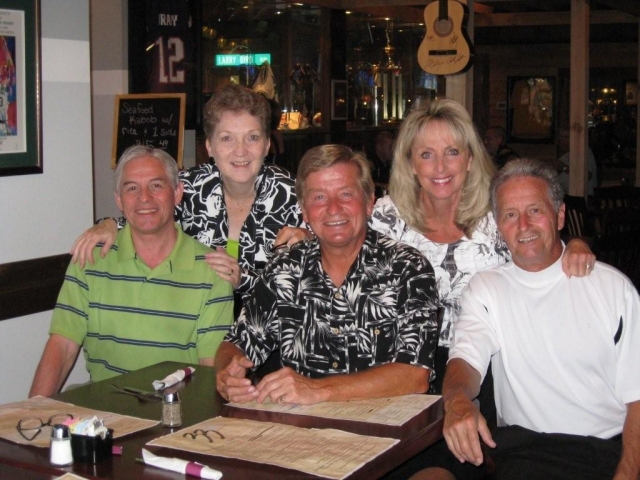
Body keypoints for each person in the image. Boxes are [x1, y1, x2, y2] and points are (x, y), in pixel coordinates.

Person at [371, 99, 594, 395]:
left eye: (452, 152)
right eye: (427, 154)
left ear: (471, 159)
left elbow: (541, 247)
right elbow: (342, 252)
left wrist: (577, 243)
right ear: (410, 163)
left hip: (491, 363)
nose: (440, 167)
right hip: (402, 365)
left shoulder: (496, 215)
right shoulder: (387, 216)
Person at [437, 158, 640, 480]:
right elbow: (466, 359)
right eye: (510, 215)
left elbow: (637, 396)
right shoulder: (487, 288)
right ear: (498, 224)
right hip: (526, 451)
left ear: (559, 216)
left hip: (607, 451)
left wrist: (627, 473)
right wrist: (458, 400)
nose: (523, 226)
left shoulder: (612, 287)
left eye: (535, 210)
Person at [214, 145, 439, 406]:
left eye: (345, 194)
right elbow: (238, 343)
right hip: (300, 432)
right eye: (319, 197)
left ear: (369, 202)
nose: (333, 208)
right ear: (305, 212)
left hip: (383, 429)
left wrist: (318, 390)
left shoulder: (408, 269)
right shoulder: (285, 270)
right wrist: (226, 373)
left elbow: (415, 376)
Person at [70, 84, 305, 308]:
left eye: (252, 137)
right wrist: (110, 224)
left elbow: (309, 289)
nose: (240, 150)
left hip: (270, 336)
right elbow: (149, 215)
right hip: (194, 322)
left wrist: (243, 279)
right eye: (226, 138)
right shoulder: (189, 186)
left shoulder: (294, 196)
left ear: (266, 144)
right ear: (210, 147)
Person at [29, 146, 234, 397]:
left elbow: (208, 371)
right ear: (119, 200)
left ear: (177, 193)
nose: (144, 197)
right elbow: (62, 347)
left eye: (156, 185)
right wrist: (34, 412)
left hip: (176, 414)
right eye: (132, 188)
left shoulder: (212, 271)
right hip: (103, 415)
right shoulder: (91, 260)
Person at [553, 127, 598, 197]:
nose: (558, 143)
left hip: (584, 198)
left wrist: (564, 167)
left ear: (569, 139)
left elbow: (587, 176)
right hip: (565, 198)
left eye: (559, 140)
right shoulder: (566, 156)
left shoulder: (584, 152)